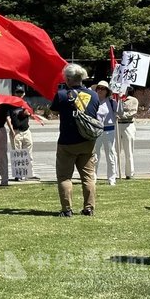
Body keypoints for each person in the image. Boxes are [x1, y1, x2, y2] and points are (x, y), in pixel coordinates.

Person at [50, 63, 100, 217]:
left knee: (64, 176)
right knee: (88, 176)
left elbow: (53, 110)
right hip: (87, 140)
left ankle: (67, 209)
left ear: (69, 79)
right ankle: (89, 208)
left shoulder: (62, 95)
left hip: (67, 141)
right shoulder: (94, 95)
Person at [93, 81, 118, 185]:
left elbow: (120, 112)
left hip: (109, 130)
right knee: (95, 156)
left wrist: (120, 100)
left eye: (102, 88)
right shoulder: (93, 101)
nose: (100, 90)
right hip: (96, 130)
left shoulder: (112, 102)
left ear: (107, 91)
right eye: (98, 88)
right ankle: (93, 178)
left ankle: (112, 178)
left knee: (111, 155)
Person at [7, 86, 34, 181]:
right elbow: (8, 118)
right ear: (15, 93)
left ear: (24, 94)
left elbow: (31, 113)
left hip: (26, 131)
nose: (19, 94)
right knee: (17, 153)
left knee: (28, 152)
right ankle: (18, 174)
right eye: (18, 92)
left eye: (21, 92)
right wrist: (11, 130)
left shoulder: (26, 103)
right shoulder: (11, 105)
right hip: (16, 131)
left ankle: (29, 173)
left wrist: (28, 114)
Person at [116, 86, 138, 179]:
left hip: (128, 125)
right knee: (116, 150)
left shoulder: (132, 100)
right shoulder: (115, 99)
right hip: (117, 125)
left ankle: (129, 173)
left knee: (128, 150)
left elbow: (132, 112)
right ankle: (116, 173)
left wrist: (122, 115)